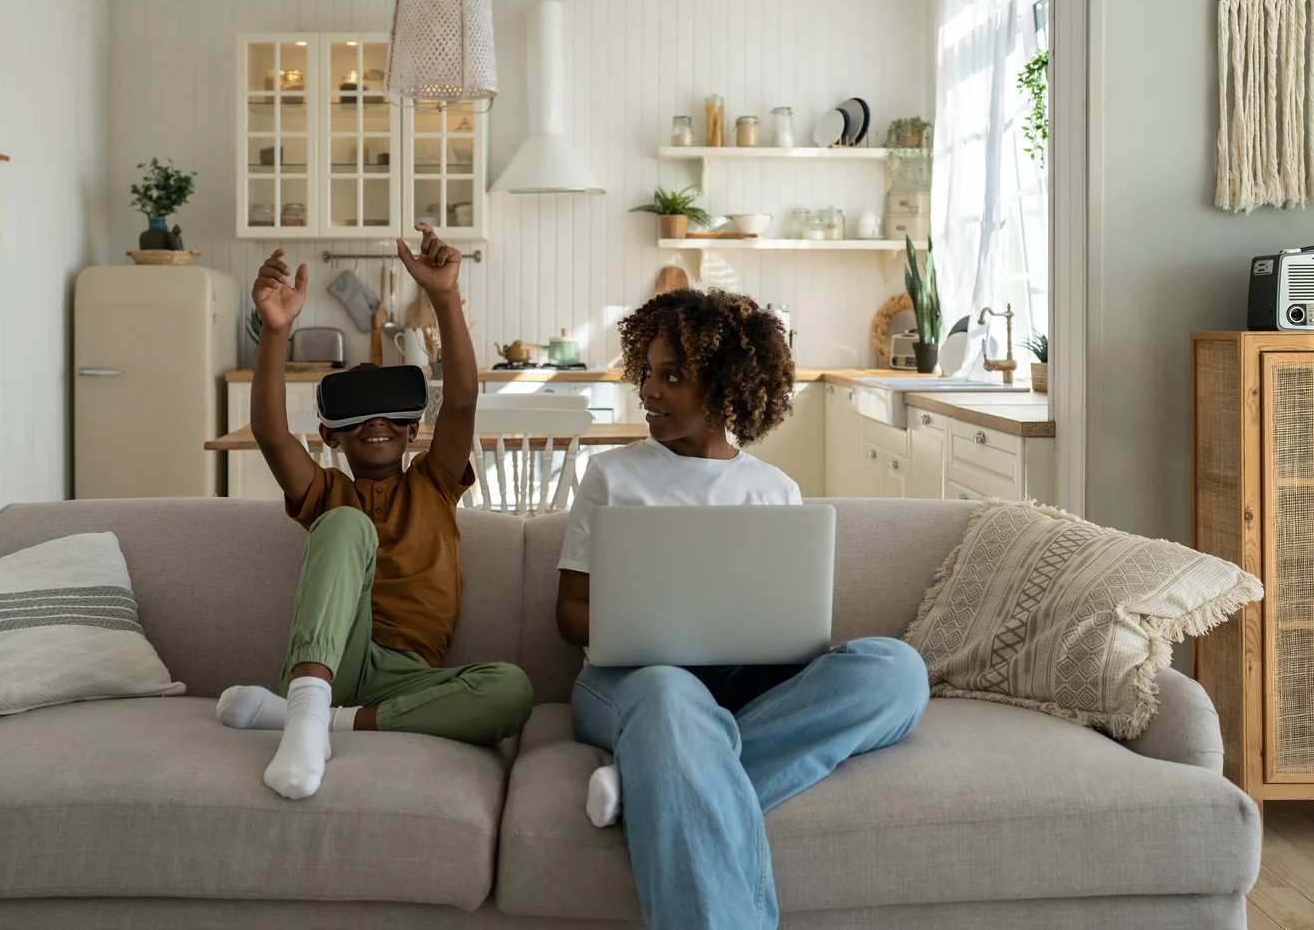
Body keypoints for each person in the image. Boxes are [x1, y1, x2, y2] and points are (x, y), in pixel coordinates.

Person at [554, 288, 930, 930]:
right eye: (646, 371)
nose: (649, 389)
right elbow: (569, 614)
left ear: (726, 386)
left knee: (896, 671)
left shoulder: (774, 490)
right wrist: (658, 630)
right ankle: (666, 761)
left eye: (672, 376)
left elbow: (793, 619)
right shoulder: (612, 476)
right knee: (673, 702)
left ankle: (653, 780)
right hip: (636, 683)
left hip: (744, 689)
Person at [219, 226, 533, 800]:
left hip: (411, 677)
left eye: (391, 415)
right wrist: (275, 332)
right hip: (337, 656)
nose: (377, 425)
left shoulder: (434, 484)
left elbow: (461, 399)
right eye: (359, 418)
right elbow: (270, 432)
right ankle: (311, 702)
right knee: (345, 524)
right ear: (332, 438)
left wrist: (445, 296)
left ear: (415, 430)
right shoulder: (327, 496)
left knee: (512, 689)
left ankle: (314, 722)